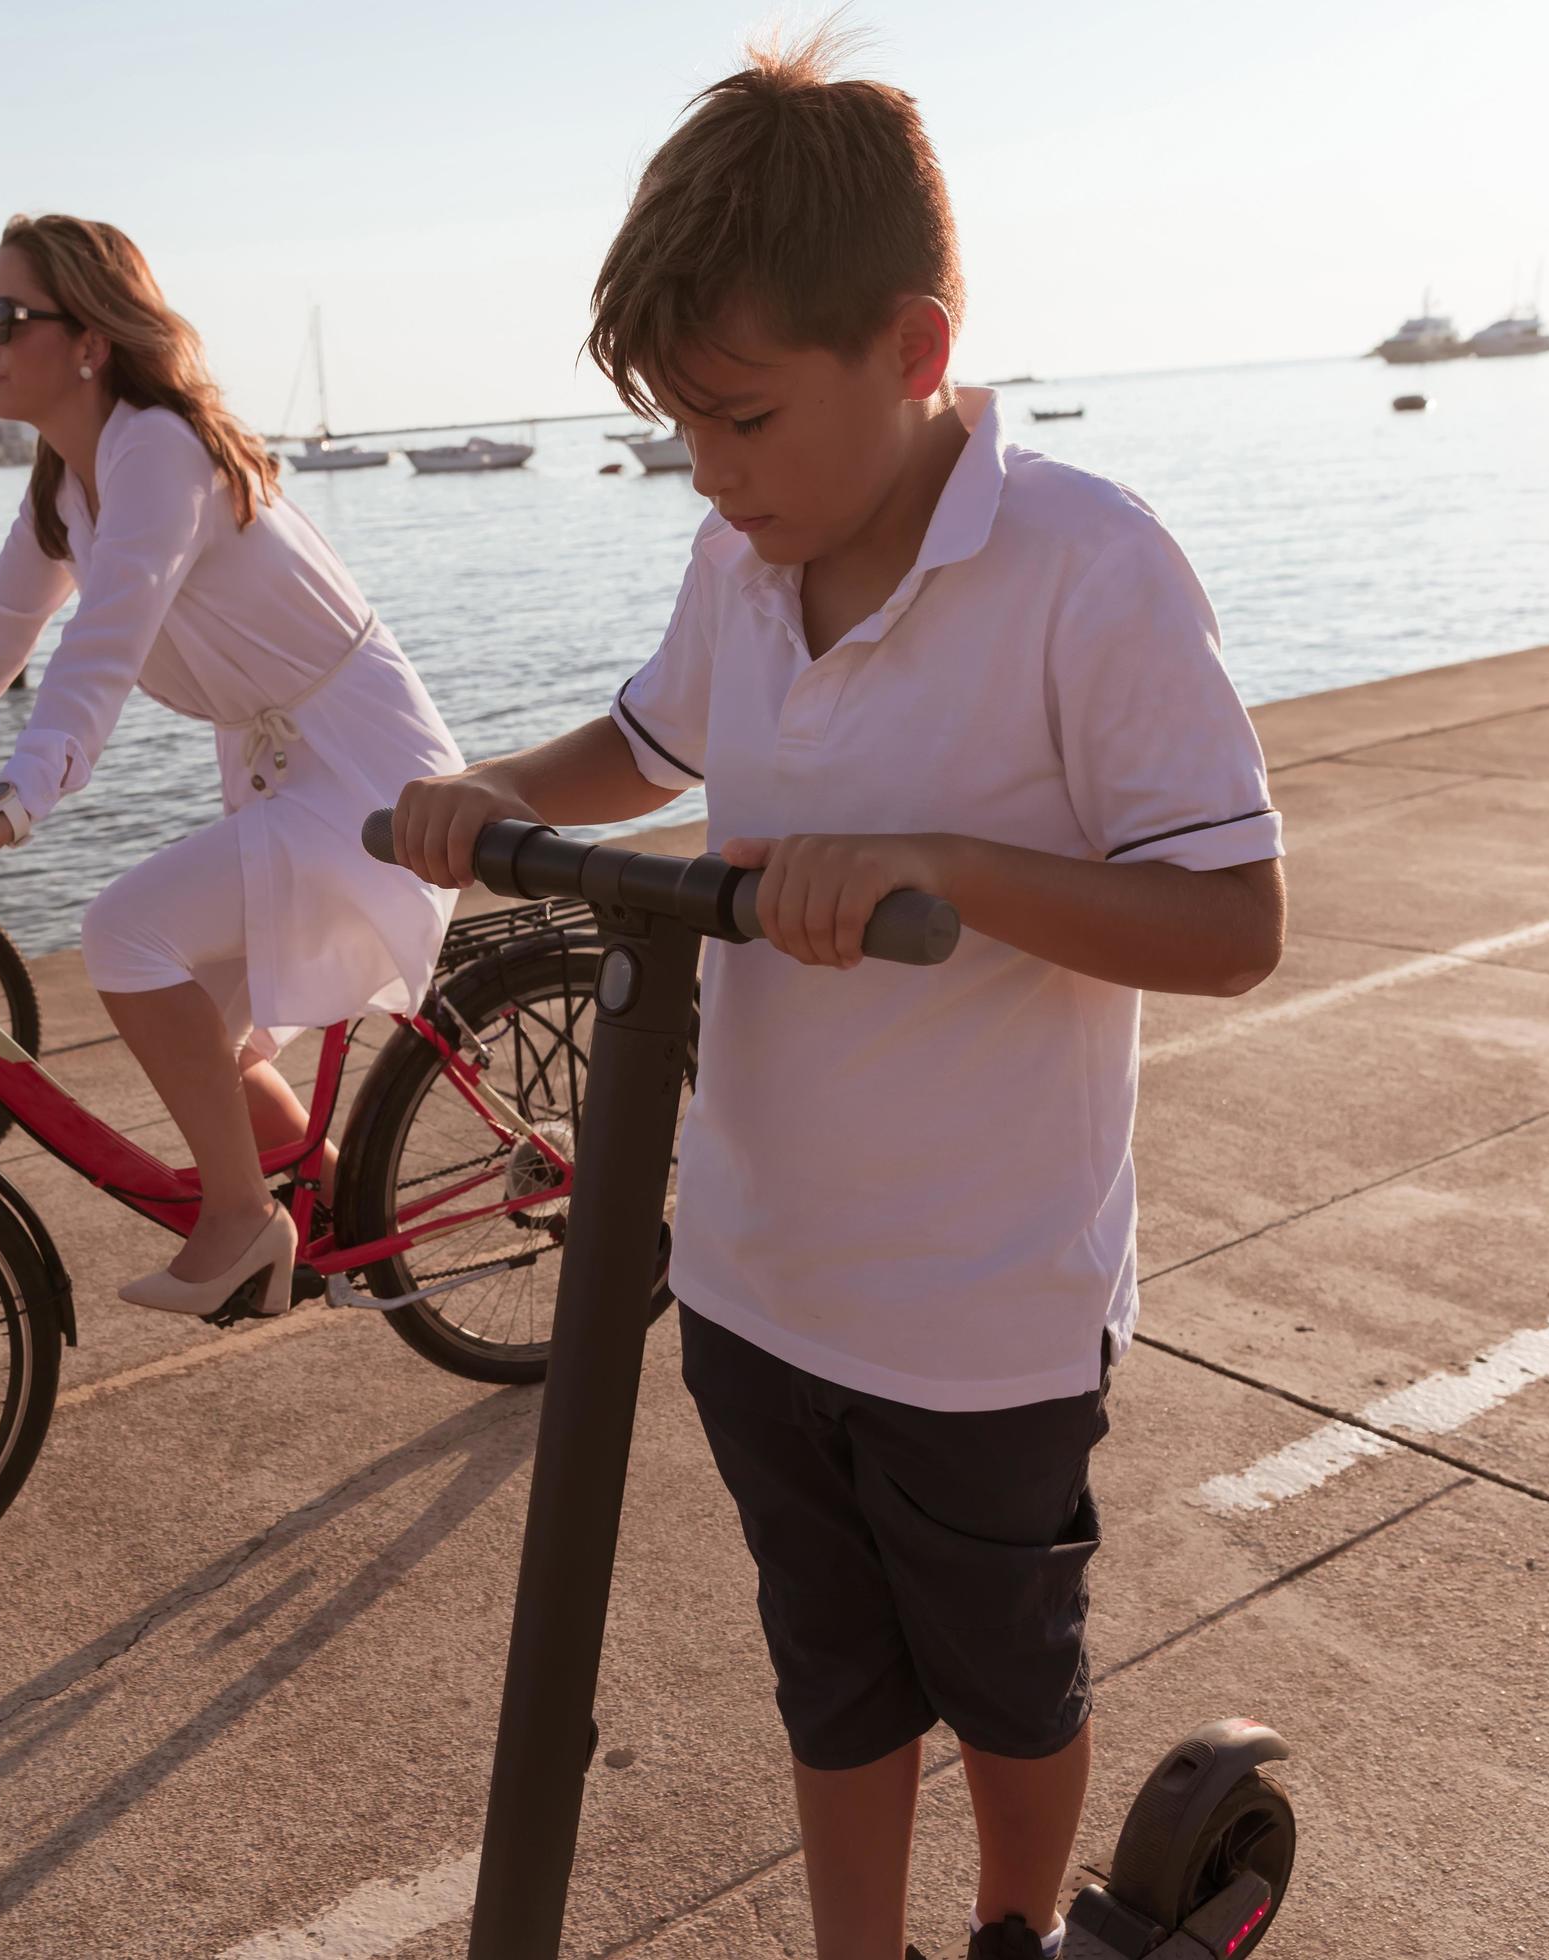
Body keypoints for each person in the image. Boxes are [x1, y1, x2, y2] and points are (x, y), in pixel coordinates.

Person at [390, 37, 1285, 1960]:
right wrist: (497, 800)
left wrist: (939, 873)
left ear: (912, 347)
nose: (712, 477)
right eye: (681, 435)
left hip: (980, 1307)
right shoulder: (745, 556)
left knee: (1004, 1679)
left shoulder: (1086, 568)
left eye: (744, 421)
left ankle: (1016, 1933)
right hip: (753, 1277)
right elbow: (646, 741)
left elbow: (1230, 923)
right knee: (831, 1676)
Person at [0, 214, 462, 1317]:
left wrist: (16, 804)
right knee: (207, 1023)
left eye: (6, 318)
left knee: (124, 933)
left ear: (91, 339)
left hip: (364, 775)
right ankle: (350, 1223)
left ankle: (243, 1220)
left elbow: (99, 648)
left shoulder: (157, 448)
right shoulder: (70, 483)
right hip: (284, 765)